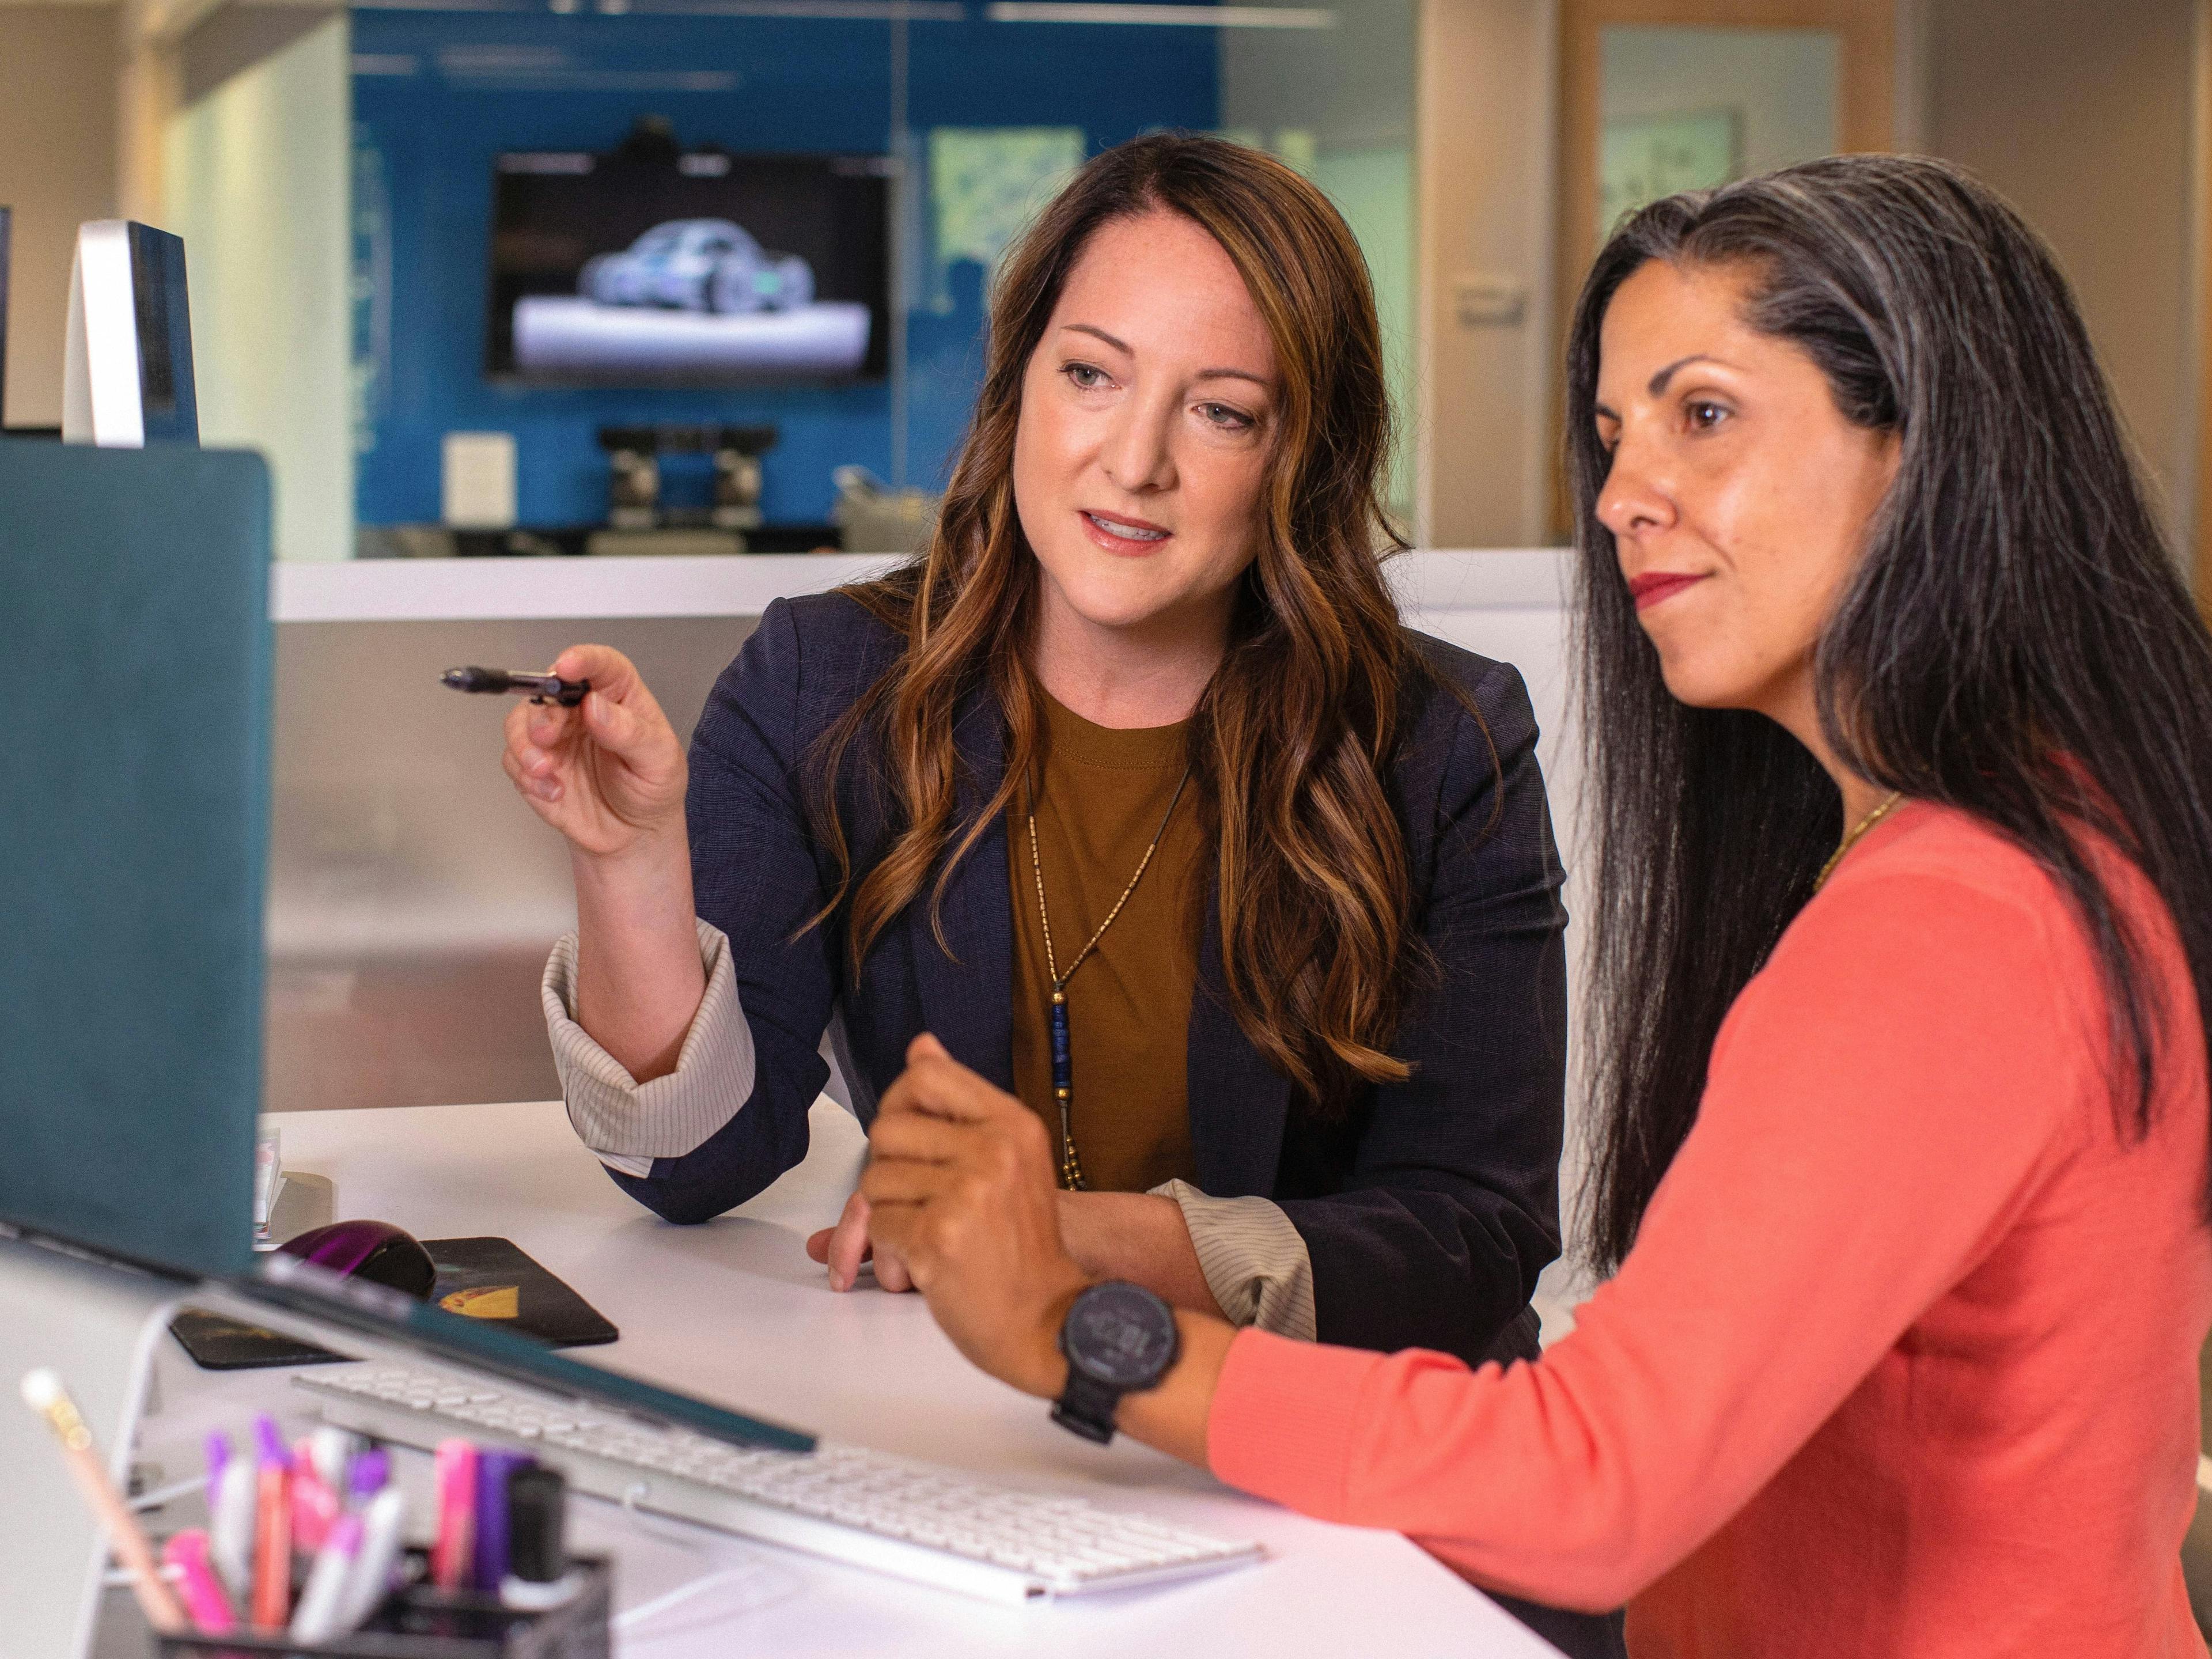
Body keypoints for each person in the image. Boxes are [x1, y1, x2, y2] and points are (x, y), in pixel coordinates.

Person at [851, 154, 2212, 1656]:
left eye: (1706, 417)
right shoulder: (2044, 833)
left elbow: (1597, 1482)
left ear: (1927, 450)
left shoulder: (1955, 921)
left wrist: (1075, 1333)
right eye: (1617, 435)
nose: (1628, 496)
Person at [502, 132, 1586, 1600]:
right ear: (1017, 386)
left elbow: (1471, 1244)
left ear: (1300, 454)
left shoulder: (1439, 741)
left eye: (1221, 411)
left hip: (1333, 1494)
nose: (1131, 462)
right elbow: (698, 1165)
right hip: (981, 1464)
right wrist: (634, 865)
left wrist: (1056, 1245)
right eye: (1091, 375)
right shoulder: (826, 681)